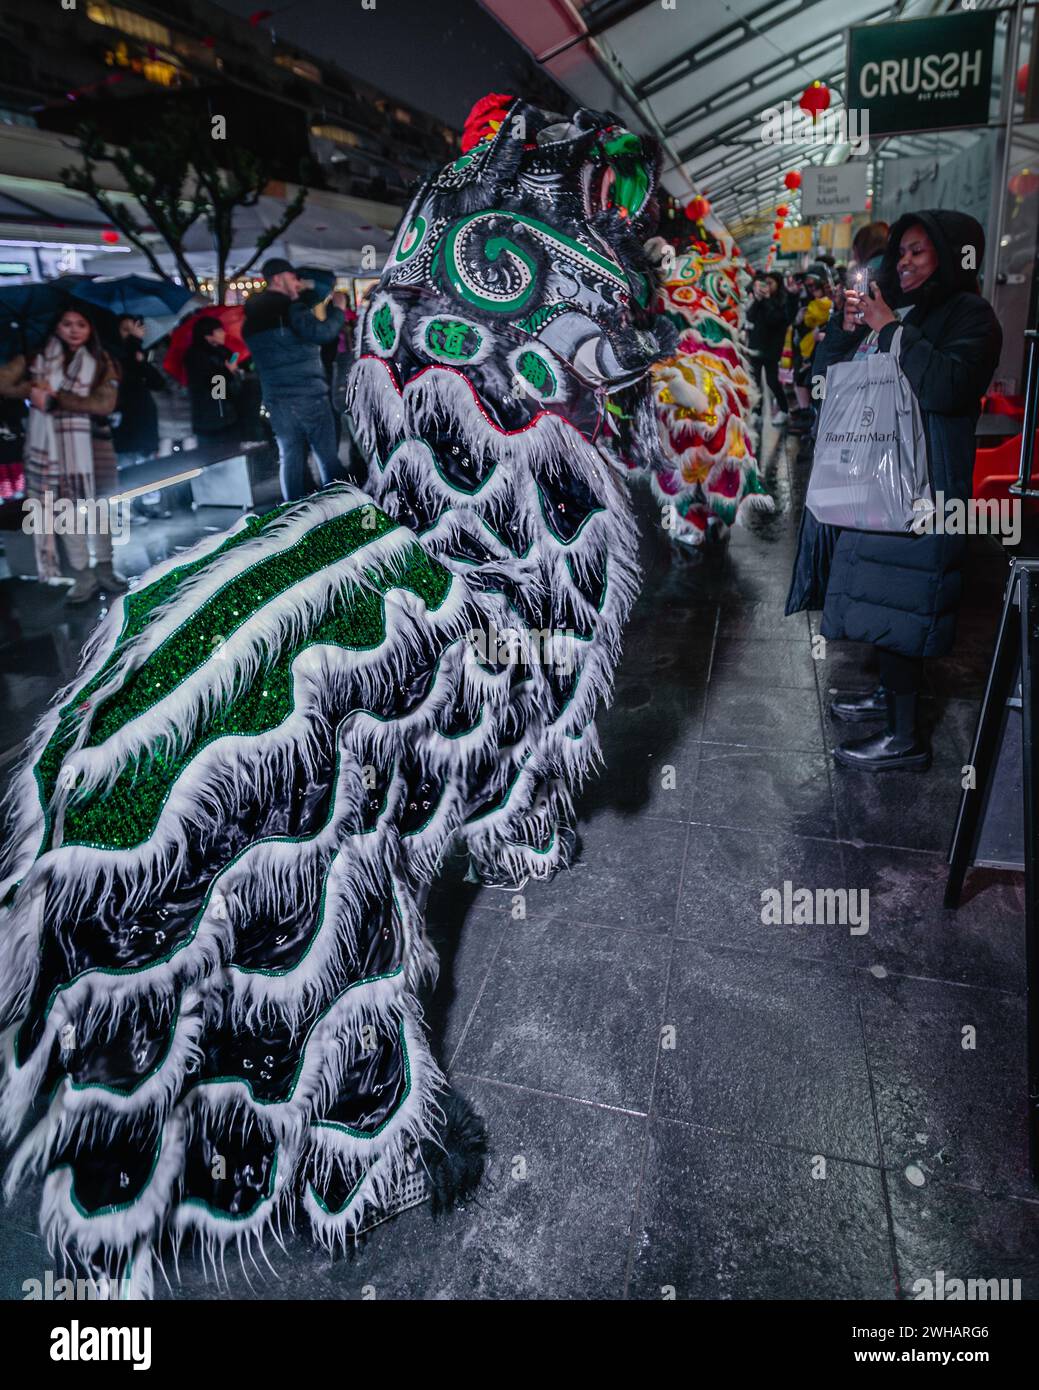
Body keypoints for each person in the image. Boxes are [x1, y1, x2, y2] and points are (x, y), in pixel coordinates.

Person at [786, 210, 1003, 771]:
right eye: (900, 252)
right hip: (875, 482)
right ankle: (886, 696)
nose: (903, 262)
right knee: (883, 597)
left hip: (926, 489)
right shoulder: (903, 311)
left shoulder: (972, 317)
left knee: (907, 603)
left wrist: (891, 330)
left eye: (917, 252)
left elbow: (947, 386)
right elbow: (832, 380)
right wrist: (846, 327)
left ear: (952, 255)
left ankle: (905, 738)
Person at [0, 307, 125, 602]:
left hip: (94, 448)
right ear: (56, 326)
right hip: (50, 451)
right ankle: (83, 575)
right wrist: (32, 388)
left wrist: (57, 401)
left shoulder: (100, 360)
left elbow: (104, 403)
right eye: (66, 323)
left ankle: (106, 567)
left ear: (90, 329)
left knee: (99, 512)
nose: (73, 329)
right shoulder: (37, 358)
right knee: (63, 512)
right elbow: (4, 383)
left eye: (81, 324)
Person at [244, 257, 346, 501]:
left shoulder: (251, 319)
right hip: (308, 393)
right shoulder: (292, 309)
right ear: (278, 278)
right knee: (326, 456)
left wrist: (300, 290)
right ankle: (342, 506)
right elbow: (323, 332)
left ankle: (294, 510)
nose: (298, 283)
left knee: (290, 455)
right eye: (293, 278)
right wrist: (338, 310)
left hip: (276, 398)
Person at [112, 314, 165, 462]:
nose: (131, 334)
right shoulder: (112, 356)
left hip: (144, 426)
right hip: (124, 427)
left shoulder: (141, 354)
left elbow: (158, 383)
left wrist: (142, 362)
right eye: (125, 330)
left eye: (134, 330)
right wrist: (134, 342)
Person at [788, 262, 832, 436]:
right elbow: (797, 321)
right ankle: (812, 428)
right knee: (808, 385)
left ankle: (816, 431)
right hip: (811, 353)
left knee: (819, 393)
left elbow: (815, 319)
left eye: (814, 284)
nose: (810, 288)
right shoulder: (810, 301)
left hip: (822, 356)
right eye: (808, 285)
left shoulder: (827, 304)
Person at [184, 315, 241, 440]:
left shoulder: (223, 352)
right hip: (209, 416)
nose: (224, 333)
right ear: (208, 335)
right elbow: (215, 389)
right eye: (219, 331)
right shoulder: (196, 355)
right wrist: (228, 372)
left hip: (229, 414)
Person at [746, 271, 789, 425]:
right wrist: (758, 300)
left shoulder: (783, 300)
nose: (767, 287)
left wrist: (766, 300)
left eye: (771, 283)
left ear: (778, 284)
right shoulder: (762, 300)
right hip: (756, 346)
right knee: (755, 381)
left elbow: (774, 319)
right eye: (765, 283)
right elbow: (750, 316)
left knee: (772, 381)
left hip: (772, 348)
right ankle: (756, 411)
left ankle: (784, 410)